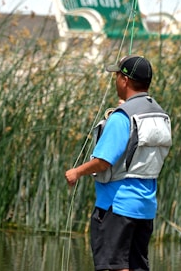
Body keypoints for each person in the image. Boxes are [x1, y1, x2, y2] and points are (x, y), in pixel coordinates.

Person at [65, 55, 172, 271]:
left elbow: (103, 161)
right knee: (135, 266)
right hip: (145, 208)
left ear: (124, 80)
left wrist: (77, 172)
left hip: (116, 205)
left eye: (116, 75)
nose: (115, 80)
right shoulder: (160, 114)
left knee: (113, 267)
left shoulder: (122, 117)